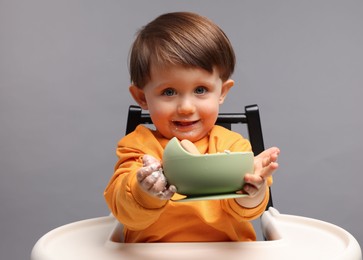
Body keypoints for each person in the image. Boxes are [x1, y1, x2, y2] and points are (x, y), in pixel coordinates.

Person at [104, 11, 280, 243]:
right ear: (142, 97)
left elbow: (246, 211)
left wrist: (253, 192)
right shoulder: (138, 147)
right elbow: (125, 211)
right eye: (169, 92)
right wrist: (143, 191)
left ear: (222, 92)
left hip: (224, 253)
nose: (186, 107)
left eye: (200, 90)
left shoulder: (232, 146)